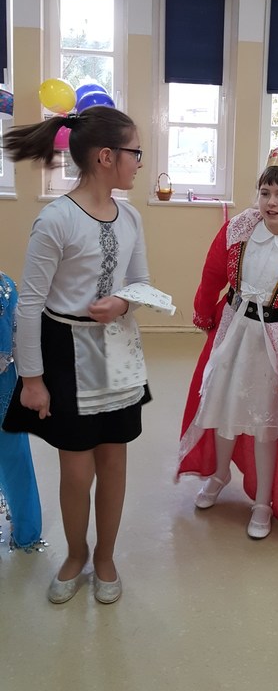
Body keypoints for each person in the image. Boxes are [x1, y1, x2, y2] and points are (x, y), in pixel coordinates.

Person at [2, 106, 151, 604]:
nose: (139, 162)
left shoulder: (131, 216)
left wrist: (124, 302)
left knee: (113, 462)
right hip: (65, 351)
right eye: (135, 152)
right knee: (76, 471)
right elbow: (29, 303)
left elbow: (141, 283)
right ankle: (76, 553)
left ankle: (105, 556)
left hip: (117, 352)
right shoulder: (56, 219)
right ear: (106, 156)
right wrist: (32, 379)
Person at [176, 145, 278, 541]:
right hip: (232, 332)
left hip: (271, 345)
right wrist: (204, 310)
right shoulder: (239, 229)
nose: (271, 202)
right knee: (222, 405)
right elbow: (212, 272)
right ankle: (219, 474)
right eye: (265, 192)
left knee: (265, 424)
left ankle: (262, 500)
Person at [0, 271, 42, 550]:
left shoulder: (4, 287)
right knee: (15, 456)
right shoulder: (5, 287)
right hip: (5, 388)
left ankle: (26, 530)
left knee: (14, 454)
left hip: (4, 389)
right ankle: (26, 531)